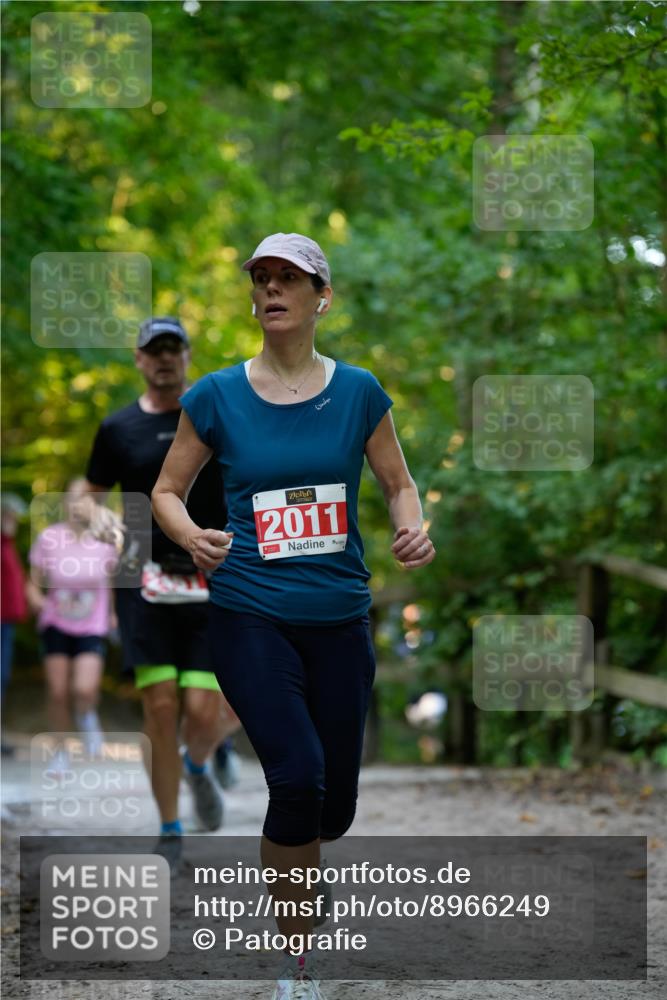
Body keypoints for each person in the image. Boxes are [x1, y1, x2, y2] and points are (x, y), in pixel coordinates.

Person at [152, 233, 435, 998]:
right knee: (297, 776)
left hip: (339, 616)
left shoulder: (360, 393)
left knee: (329, 808)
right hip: (249, 612)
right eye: (263, 278)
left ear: (321, 297)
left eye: (290, 278)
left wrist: (413, 523)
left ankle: (300, 871)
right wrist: (190, 538)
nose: (273, 289)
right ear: (254, 297)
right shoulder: (214, 395)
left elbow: (398, 482)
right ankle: (297, 962)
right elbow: (167, 491)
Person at [85, 316, 240, 866]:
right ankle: (171, 829)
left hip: (210, 571)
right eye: (155, 351)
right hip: (141, 578)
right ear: (139, 359)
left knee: (204, 710)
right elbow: (88, 492)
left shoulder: (215, 414)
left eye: (173, 349)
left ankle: (197, 763)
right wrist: (93, 516)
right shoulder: (118, 428)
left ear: (188, 356)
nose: (165, 359)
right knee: (159, 704)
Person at [26, 479, 117, 771]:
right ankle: (61, 752)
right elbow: (33, 582)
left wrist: (114, 614)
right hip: (56, 622)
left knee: (84, 689)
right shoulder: (49, 538)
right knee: (57, 691)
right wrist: (36, 599)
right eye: (74, 499)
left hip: (92, 624)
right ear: (65, 503)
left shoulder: (105, 542)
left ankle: (87, 715)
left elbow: (114, 583)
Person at [1, 493, 28, 755]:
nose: (13, 521)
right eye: (9, 515)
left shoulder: (7, 544)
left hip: (6, 621)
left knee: (2, 676)